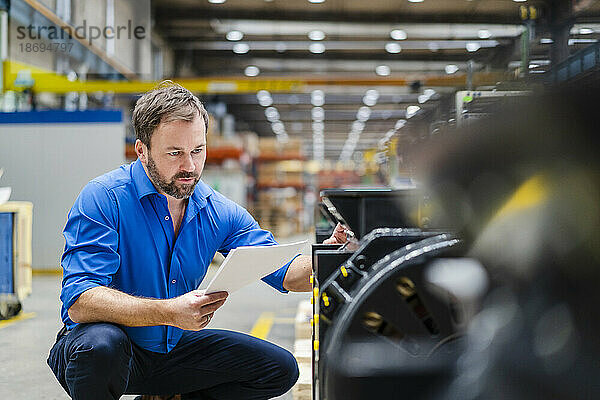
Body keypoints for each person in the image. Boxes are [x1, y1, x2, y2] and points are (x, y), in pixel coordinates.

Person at [47, 82, 348, 400]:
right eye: (175, 153)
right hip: (109, 350)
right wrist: (169, 312)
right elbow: (80, 301)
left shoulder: (219, 212)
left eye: (197, 151)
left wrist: (327, 256)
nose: (189, 166)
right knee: (100, 347)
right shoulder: (104, 198)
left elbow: (288, 272)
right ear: (142, 150)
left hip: (172, 350)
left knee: (278, 369)